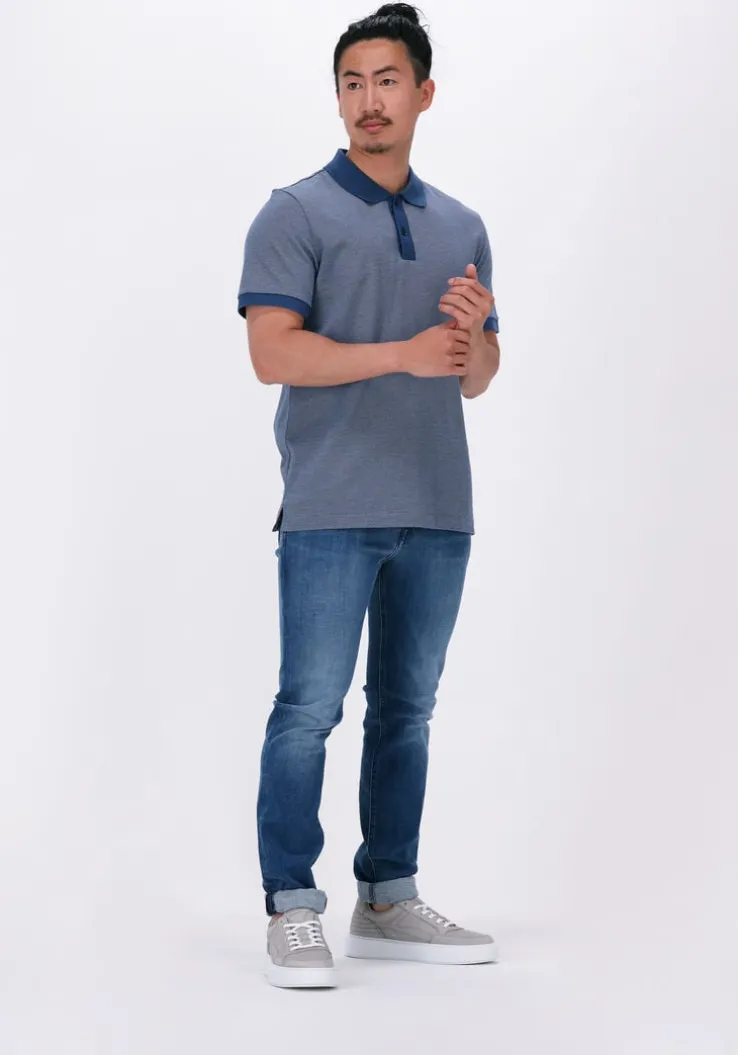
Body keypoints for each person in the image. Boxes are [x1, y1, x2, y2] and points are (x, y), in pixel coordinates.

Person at [237, 3, 502, 988]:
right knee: (308, 706)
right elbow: (272, 353)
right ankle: (291, 905)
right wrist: (402, 352)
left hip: (438, 504)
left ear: (423, 93)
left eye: (387, 80)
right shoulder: (294, 212)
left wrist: (474, 339)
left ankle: (387, 896)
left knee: (406, 711)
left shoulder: (462, 226)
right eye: (352, 83)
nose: (368, 100)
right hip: (330, 503)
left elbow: (477, 376)